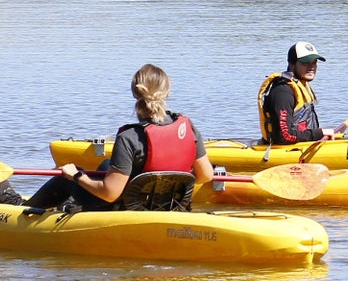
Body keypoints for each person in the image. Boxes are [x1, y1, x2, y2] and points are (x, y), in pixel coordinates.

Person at [14, 63, 221, 211]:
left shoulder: (130, 137)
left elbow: (110, 194)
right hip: (171, 205)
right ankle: (72, 205)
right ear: (166, 92)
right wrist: (170, 178)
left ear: (135, 94)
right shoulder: (188, 126)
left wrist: (75, 175)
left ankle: (19, 211)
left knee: (67, 177)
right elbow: (205, 176)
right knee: (106, 165)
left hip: (126, 208)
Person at [257, 41, 328, 145]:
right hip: (282, 150)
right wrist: (319, 133)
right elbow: (284, 136)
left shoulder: (302, 85)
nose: (311, 67)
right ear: (292, 65)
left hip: (303, 145)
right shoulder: (283, 91)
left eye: (314, 62)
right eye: (305, 63)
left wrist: (322, 134)